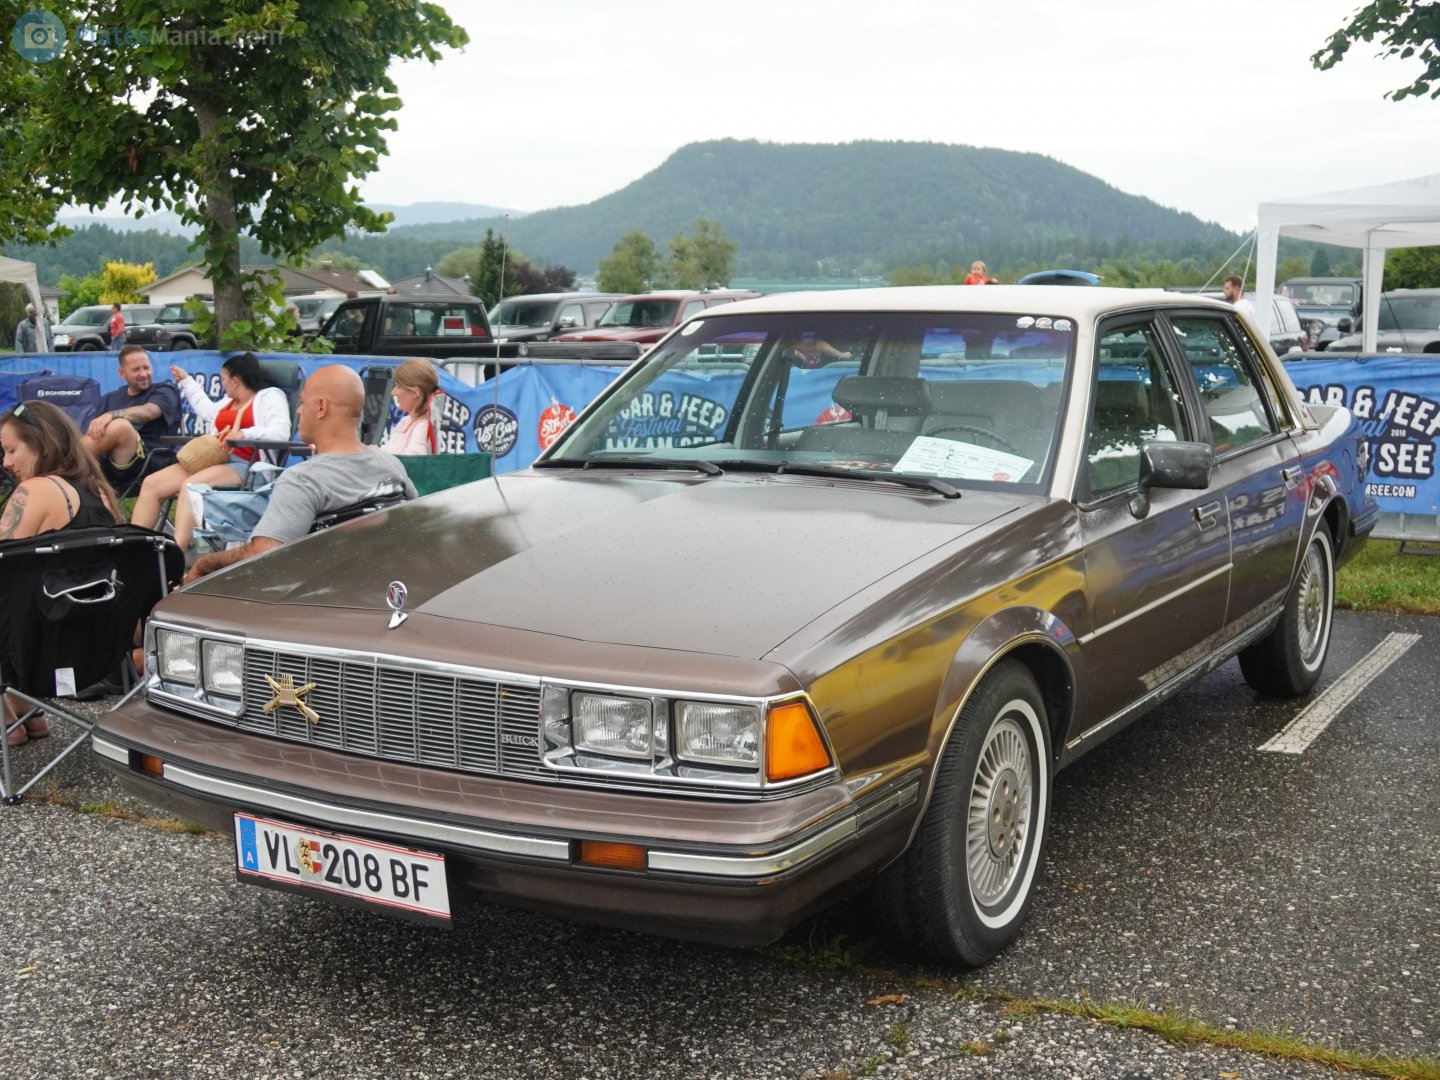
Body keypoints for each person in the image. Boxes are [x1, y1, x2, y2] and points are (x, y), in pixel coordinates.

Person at [185, 365, 416, 583]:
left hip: (318, 599)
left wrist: (205, 564)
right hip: (384, 585)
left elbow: (264, 555)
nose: (298, 409)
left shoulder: (303, 480)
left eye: (303, 401)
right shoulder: (391, 465)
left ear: (321, 407)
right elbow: (418, 523)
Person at [1, 400, 121, 744]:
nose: (6, 463)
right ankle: (25, 713)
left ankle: (10, 721)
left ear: (41, 444)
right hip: (94, 648)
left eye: (11, 450)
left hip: (35, 651)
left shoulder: (35, 491)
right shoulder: (101, 494)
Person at [129, 352, 291, 551]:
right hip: (213, 458)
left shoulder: (270, 396)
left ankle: (176, 554)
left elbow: (281, 433)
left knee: (190, 486)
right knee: (151, 484)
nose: (222, 385)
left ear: (236, 380)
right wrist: (187, 382)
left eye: (223, 380)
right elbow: (206, 411)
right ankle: (133, 549)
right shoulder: (228, 402)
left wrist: (245, 433)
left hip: (246, 466)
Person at [82, 345, 182, 490]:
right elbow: (93, 435)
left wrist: (111, 415)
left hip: (148, 463)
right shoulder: (109, 399)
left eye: (146, 368)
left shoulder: (165, 391)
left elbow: (148, 412)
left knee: (121, 426)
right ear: (122, 373)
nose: (143, 374)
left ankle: (67, 464)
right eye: (136, 369)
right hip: (106, 468)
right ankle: (66, 466)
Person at [379, 358, 439, 456]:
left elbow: (414, 460)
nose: (393, 392)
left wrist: (379, 454)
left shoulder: (422, 426)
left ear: (414, 393)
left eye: (398, 386)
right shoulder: (406, 420)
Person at [787, 331, 853, 369]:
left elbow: (842, 355)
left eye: (813, 349)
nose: (811, 354)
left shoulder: (830, 369)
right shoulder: (791, 368)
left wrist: (841, 355)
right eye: (808, 350)